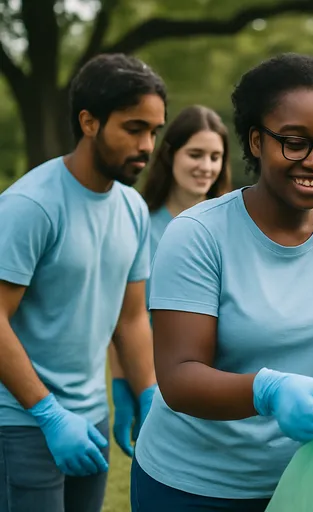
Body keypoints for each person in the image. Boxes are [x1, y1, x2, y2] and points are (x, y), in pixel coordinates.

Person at [131, 53, 313, 511]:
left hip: (311, 480)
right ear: (256, 141)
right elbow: (179, 378)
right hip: (194, 486)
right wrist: (267, 391)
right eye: (294, 143)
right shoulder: (198, 234)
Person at [0, 53, 163, 512]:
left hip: (89, 420)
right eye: (134, 129)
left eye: (154, 131)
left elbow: (130, 319)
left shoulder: (132, 209)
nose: (148, 146)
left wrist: (146, 390)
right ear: (89, 122)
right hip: (22, 421)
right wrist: (48, 414)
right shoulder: (30, 205)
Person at [107, 104, 232, 458]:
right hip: (155, 382)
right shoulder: (139, 224)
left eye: (215, 156)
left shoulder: (235, 228)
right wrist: (123, 381)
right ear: (170, 154)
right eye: (195, 154)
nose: (206, 166)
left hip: (221, 384)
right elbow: (126, 316)